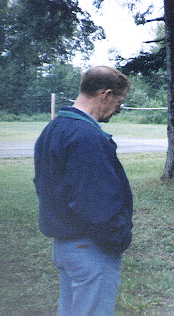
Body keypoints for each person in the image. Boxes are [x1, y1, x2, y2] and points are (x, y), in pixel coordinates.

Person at [34, 66, 133, 316]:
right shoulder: (86, 137)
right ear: (106, 94)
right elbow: (97, 205)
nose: (119, 108)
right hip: (90, 250)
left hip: (66, 249)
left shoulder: (53, 130)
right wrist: (119, 239)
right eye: (119, 101)